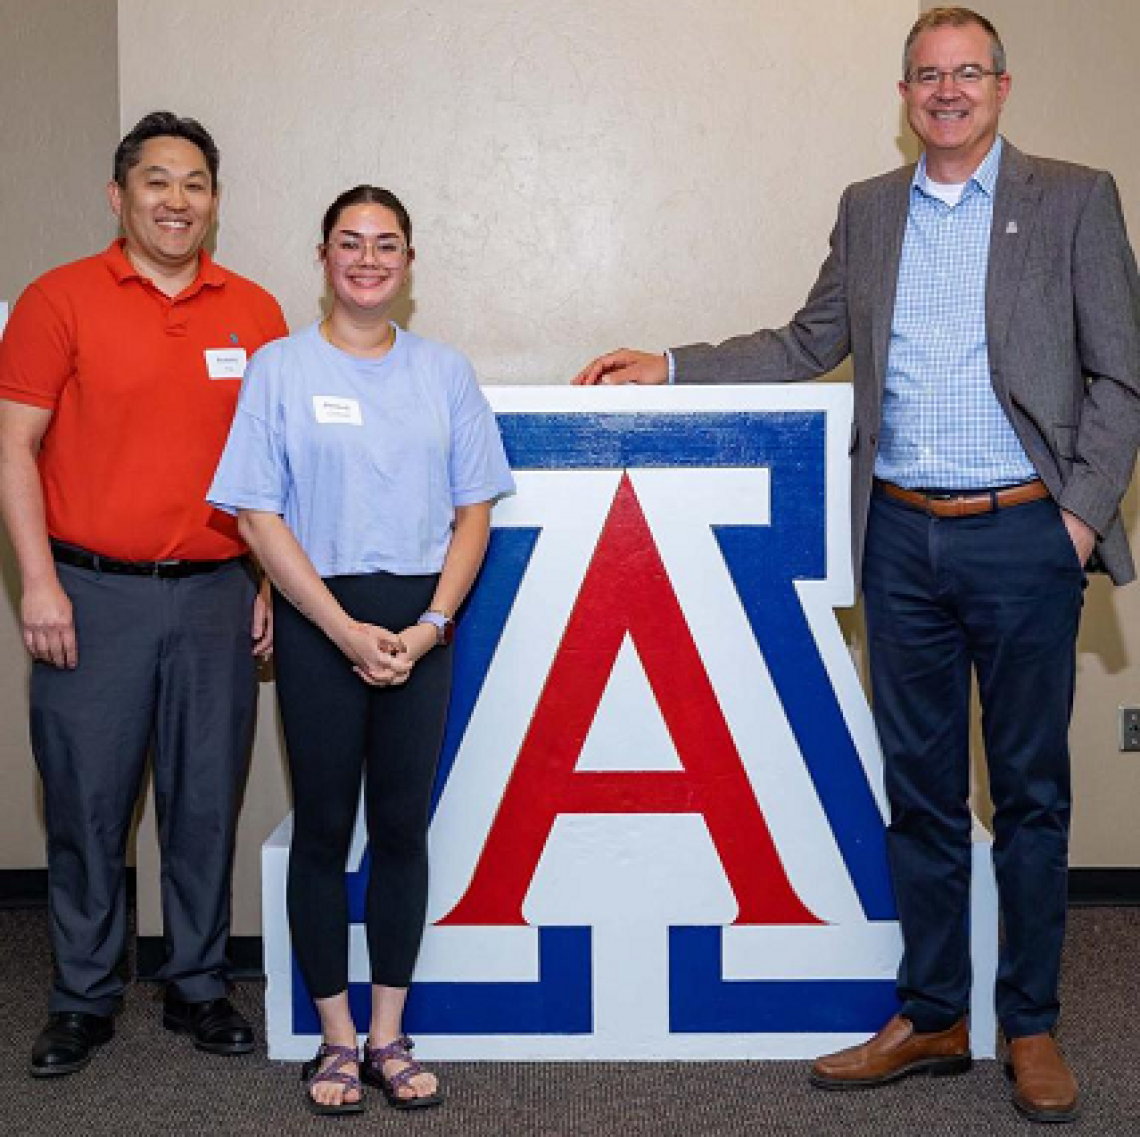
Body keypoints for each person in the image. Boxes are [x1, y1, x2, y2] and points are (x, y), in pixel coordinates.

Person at [574, 7, 1140, 1124]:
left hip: (1024, 535)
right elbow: (803, 342)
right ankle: (934, 1013)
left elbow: (1121, 377)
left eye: (966, 72)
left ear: (1002, 86)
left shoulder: (1074, 196)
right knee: (919, 797)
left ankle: (1028, 1024)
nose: (946, 90)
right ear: (904, 94)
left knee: (1028, 796)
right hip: (901, 543)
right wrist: (673, 364)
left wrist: (1073, 521)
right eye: (926, 75)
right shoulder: (870, 210)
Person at [208, 184, 514, 1114]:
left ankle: (389, 1033)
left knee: (401, 832)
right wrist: (338, 629)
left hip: (421, 622)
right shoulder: (279, 370)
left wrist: (428, 629)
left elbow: (475, 514)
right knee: (326, 832)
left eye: (387, 243)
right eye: (351, 241)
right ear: (323, 256)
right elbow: (257, 513)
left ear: (409, 262)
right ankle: (335, 1040)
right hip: (317, 617)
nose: (369, 258)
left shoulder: (445, 372)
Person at [0, 112, 287, 1077]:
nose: (177, 201)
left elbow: (275, 466)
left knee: (205, 800)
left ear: (215, 201)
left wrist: (267, 581)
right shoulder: (58, 298)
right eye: (156, 182)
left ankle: (198, 983)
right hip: (91, 594)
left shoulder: (255, 310)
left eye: (196, 183)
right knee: (86, 803)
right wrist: (37, 581)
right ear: (118, 196)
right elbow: (14, 447)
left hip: (215, 594)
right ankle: (83, 994)